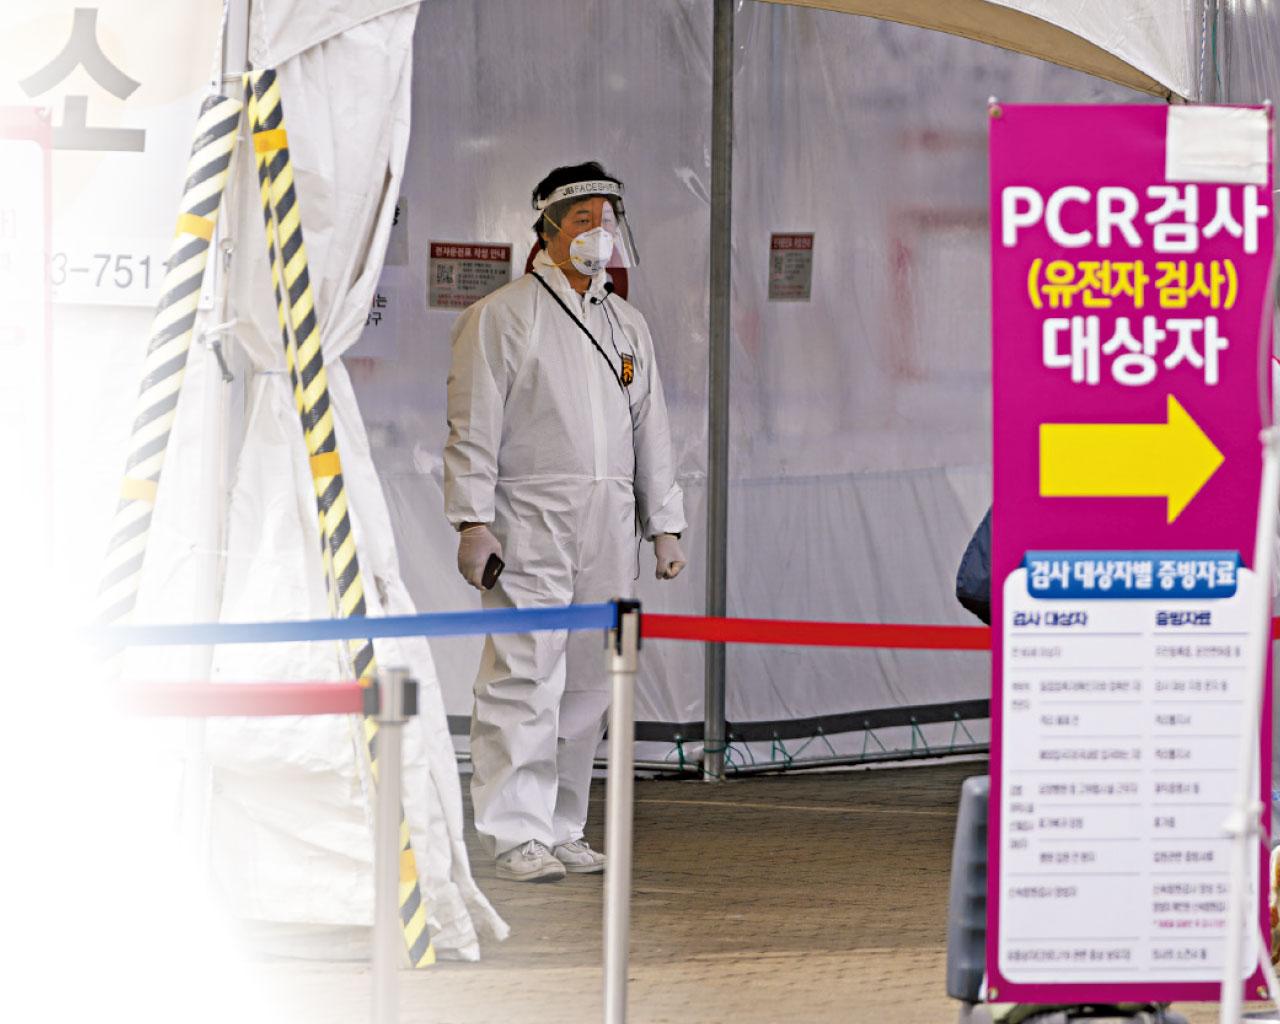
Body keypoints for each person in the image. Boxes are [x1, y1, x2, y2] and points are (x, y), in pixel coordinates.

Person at [444, 162, 687, 882]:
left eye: (606, 219)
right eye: (582, 219)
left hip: (608, 522)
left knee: (588, 679)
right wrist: (471, 520)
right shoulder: (503, 315)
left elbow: (651, 429)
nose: (597, 233)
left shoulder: (627, 324)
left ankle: (561, 824)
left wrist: (664, 524)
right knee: (523, 672)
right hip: (531, 519)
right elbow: (472, 422)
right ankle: (513, 830)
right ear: (547, 228)